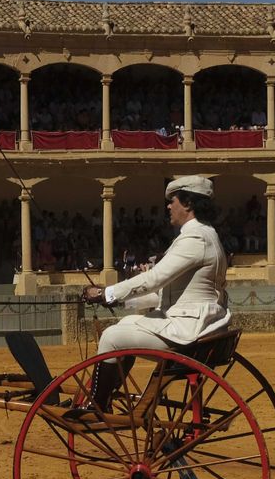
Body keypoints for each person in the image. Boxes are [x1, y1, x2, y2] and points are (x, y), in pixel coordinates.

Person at [75, 175, 229, 416]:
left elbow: (154, 279)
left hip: (188, 332)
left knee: (111, 337)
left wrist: (108, 293)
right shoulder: (208, 234)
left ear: (187, 204)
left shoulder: (194, 238)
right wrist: (119, 299)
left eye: (173, 200)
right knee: (125, 324)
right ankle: (108, 392)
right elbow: (167, 291)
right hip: (200, 324)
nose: (168, 206)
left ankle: (97, 405)